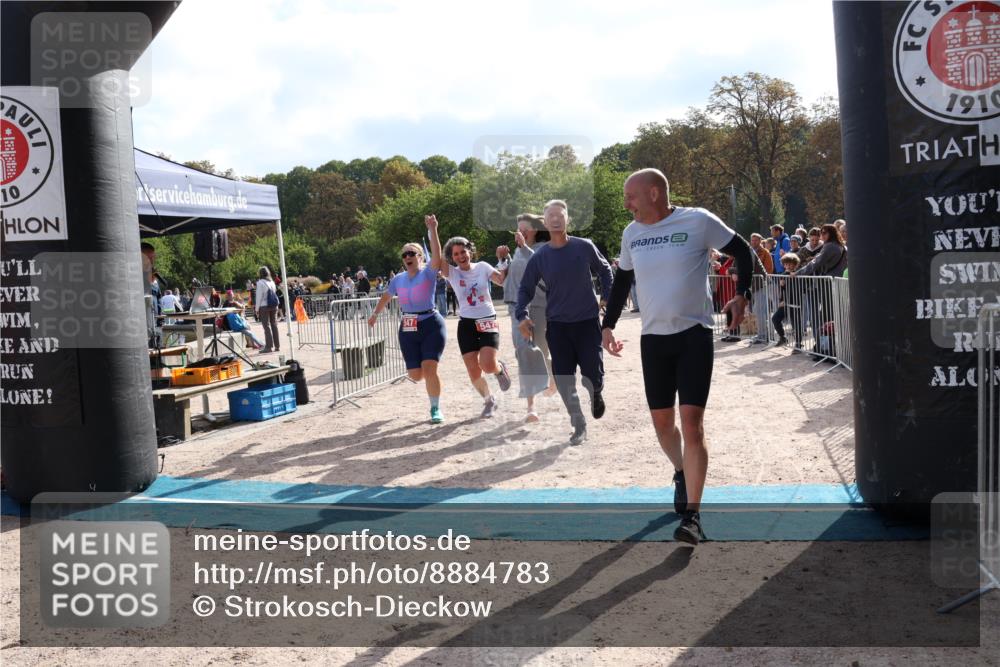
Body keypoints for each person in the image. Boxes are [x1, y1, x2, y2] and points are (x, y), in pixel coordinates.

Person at [602, 168, 755, 546]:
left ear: (654, 193)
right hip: (653, 339)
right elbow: (622, 280)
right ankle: (680, 470)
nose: (627, 204)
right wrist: (608, 325)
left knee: (692, 424)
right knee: (662, 424)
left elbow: (743, 252)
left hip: (693, 335)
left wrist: (743, 293)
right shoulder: (631, 233)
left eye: (631, 196)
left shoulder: (698, 221)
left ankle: (693, 517)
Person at [515, 200, 613, 445]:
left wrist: (607, 296)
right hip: (557, 326)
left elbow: (605, 270)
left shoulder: (584, 246)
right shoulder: (540, 257)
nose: (556, 219)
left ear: (568, 220)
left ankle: (596, 392)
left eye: (561, 215)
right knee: (563, 377)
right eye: (551, 216)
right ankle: (578, 423)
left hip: (588, 322)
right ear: (545, 223)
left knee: (592, 374)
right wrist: (521, 314)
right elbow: (525, 289)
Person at [368, 216, 449, 424]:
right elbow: (386, 296)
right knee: (415, 375)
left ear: (420, 257)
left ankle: (435, 408)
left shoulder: (429, 273)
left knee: (430, 368)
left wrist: (433, 229)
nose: (407, 257)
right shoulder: (398, 280)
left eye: (411, 253)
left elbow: (438, 256)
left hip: (431, 323)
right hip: (408, 326)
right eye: (404, 254)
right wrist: (375, 313)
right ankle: (428, 380)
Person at [440, 231, 512, 418]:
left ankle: (499, 368)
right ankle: (489, 400)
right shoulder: (452, 273)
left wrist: (502, 259)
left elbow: (501, 281)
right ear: (452, 257)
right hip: (466, 324)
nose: (460, 256)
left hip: (487, 319)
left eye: (463, 252)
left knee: (487, 365)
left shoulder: (482, 267)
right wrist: (433, 230)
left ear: (470, 251)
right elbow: (437, 255)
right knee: (473, 369)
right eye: (455, 254)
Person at [501, 213, 554, 423]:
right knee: (524, 353)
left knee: (542, 351)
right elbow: (510, 281)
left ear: (536, 229)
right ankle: (531, 407)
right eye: (519, 228)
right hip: (517, 309)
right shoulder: (519, 250)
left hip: (539, 308)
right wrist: (503, 260)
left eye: (526, 228)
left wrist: (523, 248)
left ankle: (553, 376)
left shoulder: (546, 248)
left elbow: (541, 267)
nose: (521, 232)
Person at [771, 254, 803, 349]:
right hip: (785, 302)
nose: (788, 266)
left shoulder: (798, 274)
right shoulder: (783, 275)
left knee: (795, 323)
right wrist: (781, 300)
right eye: (786, 264)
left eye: (790, 264)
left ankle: (798, 344)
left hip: (795, 301)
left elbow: (799, 288)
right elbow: (782, 290)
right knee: (775, 318)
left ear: (795, 265)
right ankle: (782, 337)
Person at [255, 266, 281, 353]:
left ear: (260, 274)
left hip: (264, 306)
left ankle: (268, 347)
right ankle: (277, 346)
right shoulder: (272, 282)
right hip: (274, 305)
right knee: (274, 325)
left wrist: (256, 309)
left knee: (266, 326)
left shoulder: (260, 283)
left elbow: (259, 297)